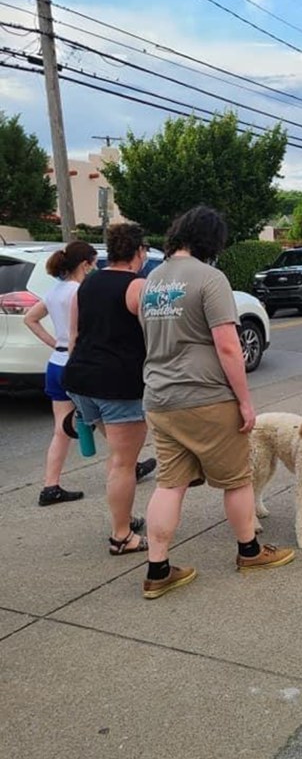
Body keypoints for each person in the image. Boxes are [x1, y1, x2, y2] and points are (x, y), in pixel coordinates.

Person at [139, 205, 295, 599]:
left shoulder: (153, 280)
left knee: (170, 485)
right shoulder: (210, 278)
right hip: (205, 396)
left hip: (159, 397)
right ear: (212, 240)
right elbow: (228, 346)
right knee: (237, 479)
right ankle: (250, 550)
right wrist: (245, 402)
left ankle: (157, 569)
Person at [64, 223, 152, 556]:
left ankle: (124, 516)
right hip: (119, 384)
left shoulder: (87, 284)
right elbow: (154, 337)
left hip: (81, 380)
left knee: (118, 457)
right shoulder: (138, 286)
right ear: (139, 251)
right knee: (124, 462)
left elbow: (74, 336)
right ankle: (121, 536)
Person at [24, 240, 97, 506]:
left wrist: (54, 342)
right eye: (93, 263)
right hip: (77, 362)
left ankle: (50, 485)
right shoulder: (80, 291)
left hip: (56, 363)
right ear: (84, 264)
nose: (94, 269)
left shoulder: (55, 292)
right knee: (111, 419)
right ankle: (128, 468)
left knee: (61, 429)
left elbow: (30, 318)